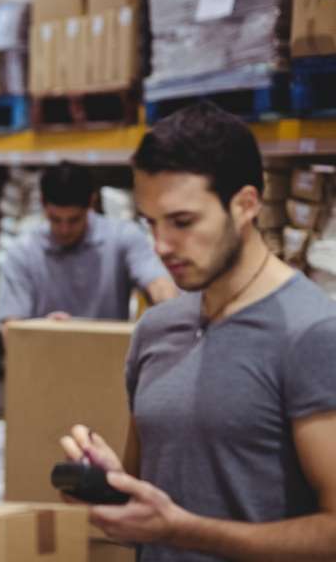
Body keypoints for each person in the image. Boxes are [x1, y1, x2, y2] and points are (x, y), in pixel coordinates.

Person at [60, 102, 336, 561]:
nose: (161, 246)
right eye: (151, 223)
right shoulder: (156, 328)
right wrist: (110, 492)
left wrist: (185, 530)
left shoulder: (310, 334)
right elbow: (150, 516)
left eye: (182, 222)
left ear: (245, 205)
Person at [0, 161, 177, 333]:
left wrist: (169, 308)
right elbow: (11, 328)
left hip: (109, 359)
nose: (64, 230)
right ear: (43, 204)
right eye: (55, 219)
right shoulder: (22, 252)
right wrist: (44, 330)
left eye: (74, 220)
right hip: (41, 360)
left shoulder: (123, 237)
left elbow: (158, 282)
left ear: (91, 203)